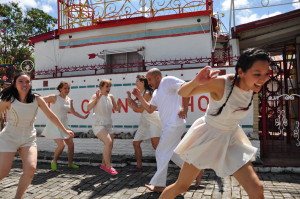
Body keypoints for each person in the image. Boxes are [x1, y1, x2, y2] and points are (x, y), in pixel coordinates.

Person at [159, 48, 271, 199]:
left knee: (257, 190)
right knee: (181, 186)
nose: (263, 79)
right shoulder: (222, 84)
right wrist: (196, 82)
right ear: (241, 72)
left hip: (231, 138)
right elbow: (182, 93)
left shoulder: (252, 88)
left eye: (267, 74)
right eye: (257, 74)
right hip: (206, 137)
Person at [0, 73, 74, 199]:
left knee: (31, 169)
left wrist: (65, 131)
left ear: (30, 84)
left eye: (27, 81)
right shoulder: (8, 99)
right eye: (21, 81)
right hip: (9, 137)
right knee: (4, 171)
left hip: (28, 138)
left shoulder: (37, 99)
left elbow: (51, 116)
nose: (24, 84)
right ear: (15, 83)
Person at [132, 68, 198, 192]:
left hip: (174, 124)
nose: (148, 82)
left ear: (158, 77)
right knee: (172, 153)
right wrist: (139, 97)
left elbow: (186, 88)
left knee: (160, 152)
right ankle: (194, 171)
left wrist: (185, 108)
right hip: (169, 126)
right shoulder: (156, 93)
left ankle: (159, 185)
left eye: (150, 79)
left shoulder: (167, 81)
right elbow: (150, 109)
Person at [42, 81, 89, 171]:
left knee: (71, 144)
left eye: (68, 88)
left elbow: (73, 112)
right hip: (54, 124)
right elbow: (41, 100)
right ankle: (54, 161)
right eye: (65, 88)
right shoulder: (54, 97)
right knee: (61, 145)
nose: (67, 90)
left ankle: (70, 163)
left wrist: (83, 117)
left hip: (64, 124)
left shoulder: (69, 100)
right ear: (60, 89)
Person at [127, 75, 162, 171]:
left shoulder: (146, 93)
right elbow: (138, 107)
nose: (136, 83)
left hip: (152, 120)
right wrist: (130, 99)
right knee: (135, 143)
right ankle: (139, 166)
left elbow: (140, 110)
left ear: (142, 82)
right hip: (144, 121)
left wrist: (131, 104)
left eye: (137, 81)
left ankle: (164, 167)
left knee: (156, 147)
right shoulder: (141, 93)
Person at [87, 79, 121, 175]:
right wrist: (96, 100)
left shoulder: (111, 96)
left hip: (108, 125)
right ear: (101, 87)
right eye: (106, 86)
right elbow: (88, 108)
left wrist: (119, 106)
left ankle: (103, 164)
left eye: (109, 86)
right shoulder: (95, 96)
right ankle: (108, 166)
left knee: (109, 146)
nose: (108, 88)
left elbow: (116, 109)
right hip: (98, 125)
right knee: (108, 142)